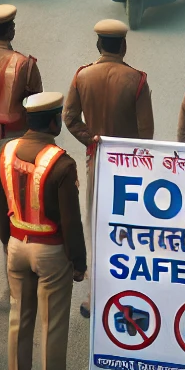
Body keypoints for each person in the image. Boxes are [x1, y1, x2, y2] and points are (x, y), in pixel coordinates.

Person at [0, 92, 92, 370]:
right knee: (52, 325)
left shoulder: (6, 152)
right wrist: (78, 262)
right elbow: (70, 220)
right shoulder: (61, 163)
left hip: (18, 244)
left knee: (19, 320)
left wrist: (9, 240)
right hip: (50, 251)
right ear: (52, 121)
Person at [64, 19, 154, 317]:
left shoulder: (82, 76)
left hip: (97, 161)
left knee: (96, 226)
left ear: (99, 46)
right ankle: (125, 291)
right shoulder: (136, 80)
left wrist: (93, 138)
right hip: (130, 168)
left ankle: (94, 297)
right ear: (123, 45)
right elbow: (146, 134)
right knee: (127, 230)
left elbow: (70, 117)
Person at [0, 4, 44, 308]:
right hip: (14, 145)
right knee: (14, 211)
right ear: (10, 30)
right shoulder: (24, 65)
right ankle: (16, 289)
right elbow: (38, 109)